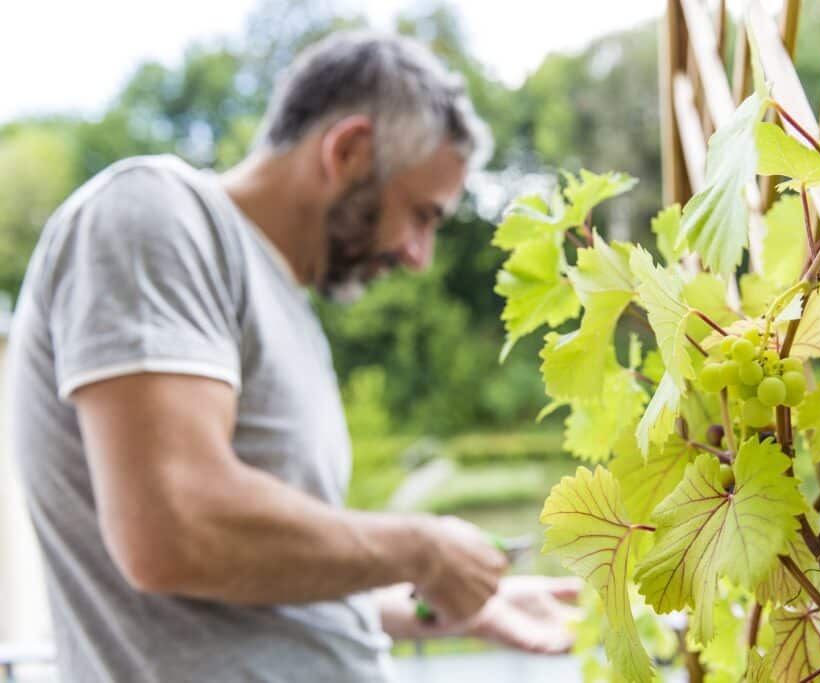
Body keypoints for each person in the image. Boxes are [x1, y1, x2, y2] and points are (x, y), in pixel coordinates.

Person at [8, 30, 579, 682]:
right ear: (348, 150)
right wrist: (422, 547)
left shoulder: (290, 308)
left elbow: (271, 580)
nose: (420, 258)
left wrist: (452, 605)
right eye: (420, 215)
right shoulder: (154, 213)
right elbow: (172, 528)